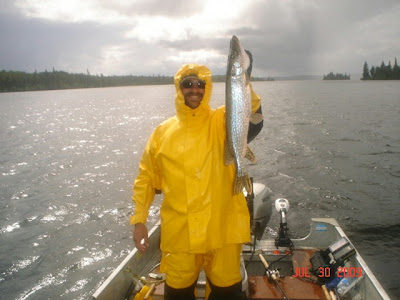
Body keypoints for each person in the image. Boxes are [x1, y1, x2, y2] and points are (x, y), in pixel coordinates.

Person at [130, 61, 263, 300]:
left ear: (208, 87)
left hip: (223, 229)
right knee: (178, 294)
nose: (194, 89)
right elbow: (146, 178)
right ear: (178, 88)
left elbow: (253, 114)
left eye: (200, 84)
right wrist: (139, 220)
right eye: (187, 84)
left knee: (227, 293)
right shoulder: (162, 133)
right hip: (182, 235)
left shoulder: (222, 120)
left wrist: (243, 78)